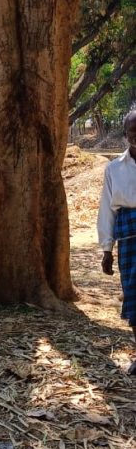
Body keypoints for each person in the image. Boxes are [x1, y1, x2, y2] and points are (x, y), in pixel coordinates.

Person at [98, 110, 136, 375]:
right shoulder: (114, 169)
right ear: (126, 134)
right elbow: (107, 211)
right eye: (134, 130)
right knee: (133, 296)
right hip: (129, 239)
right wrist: (106, 249)